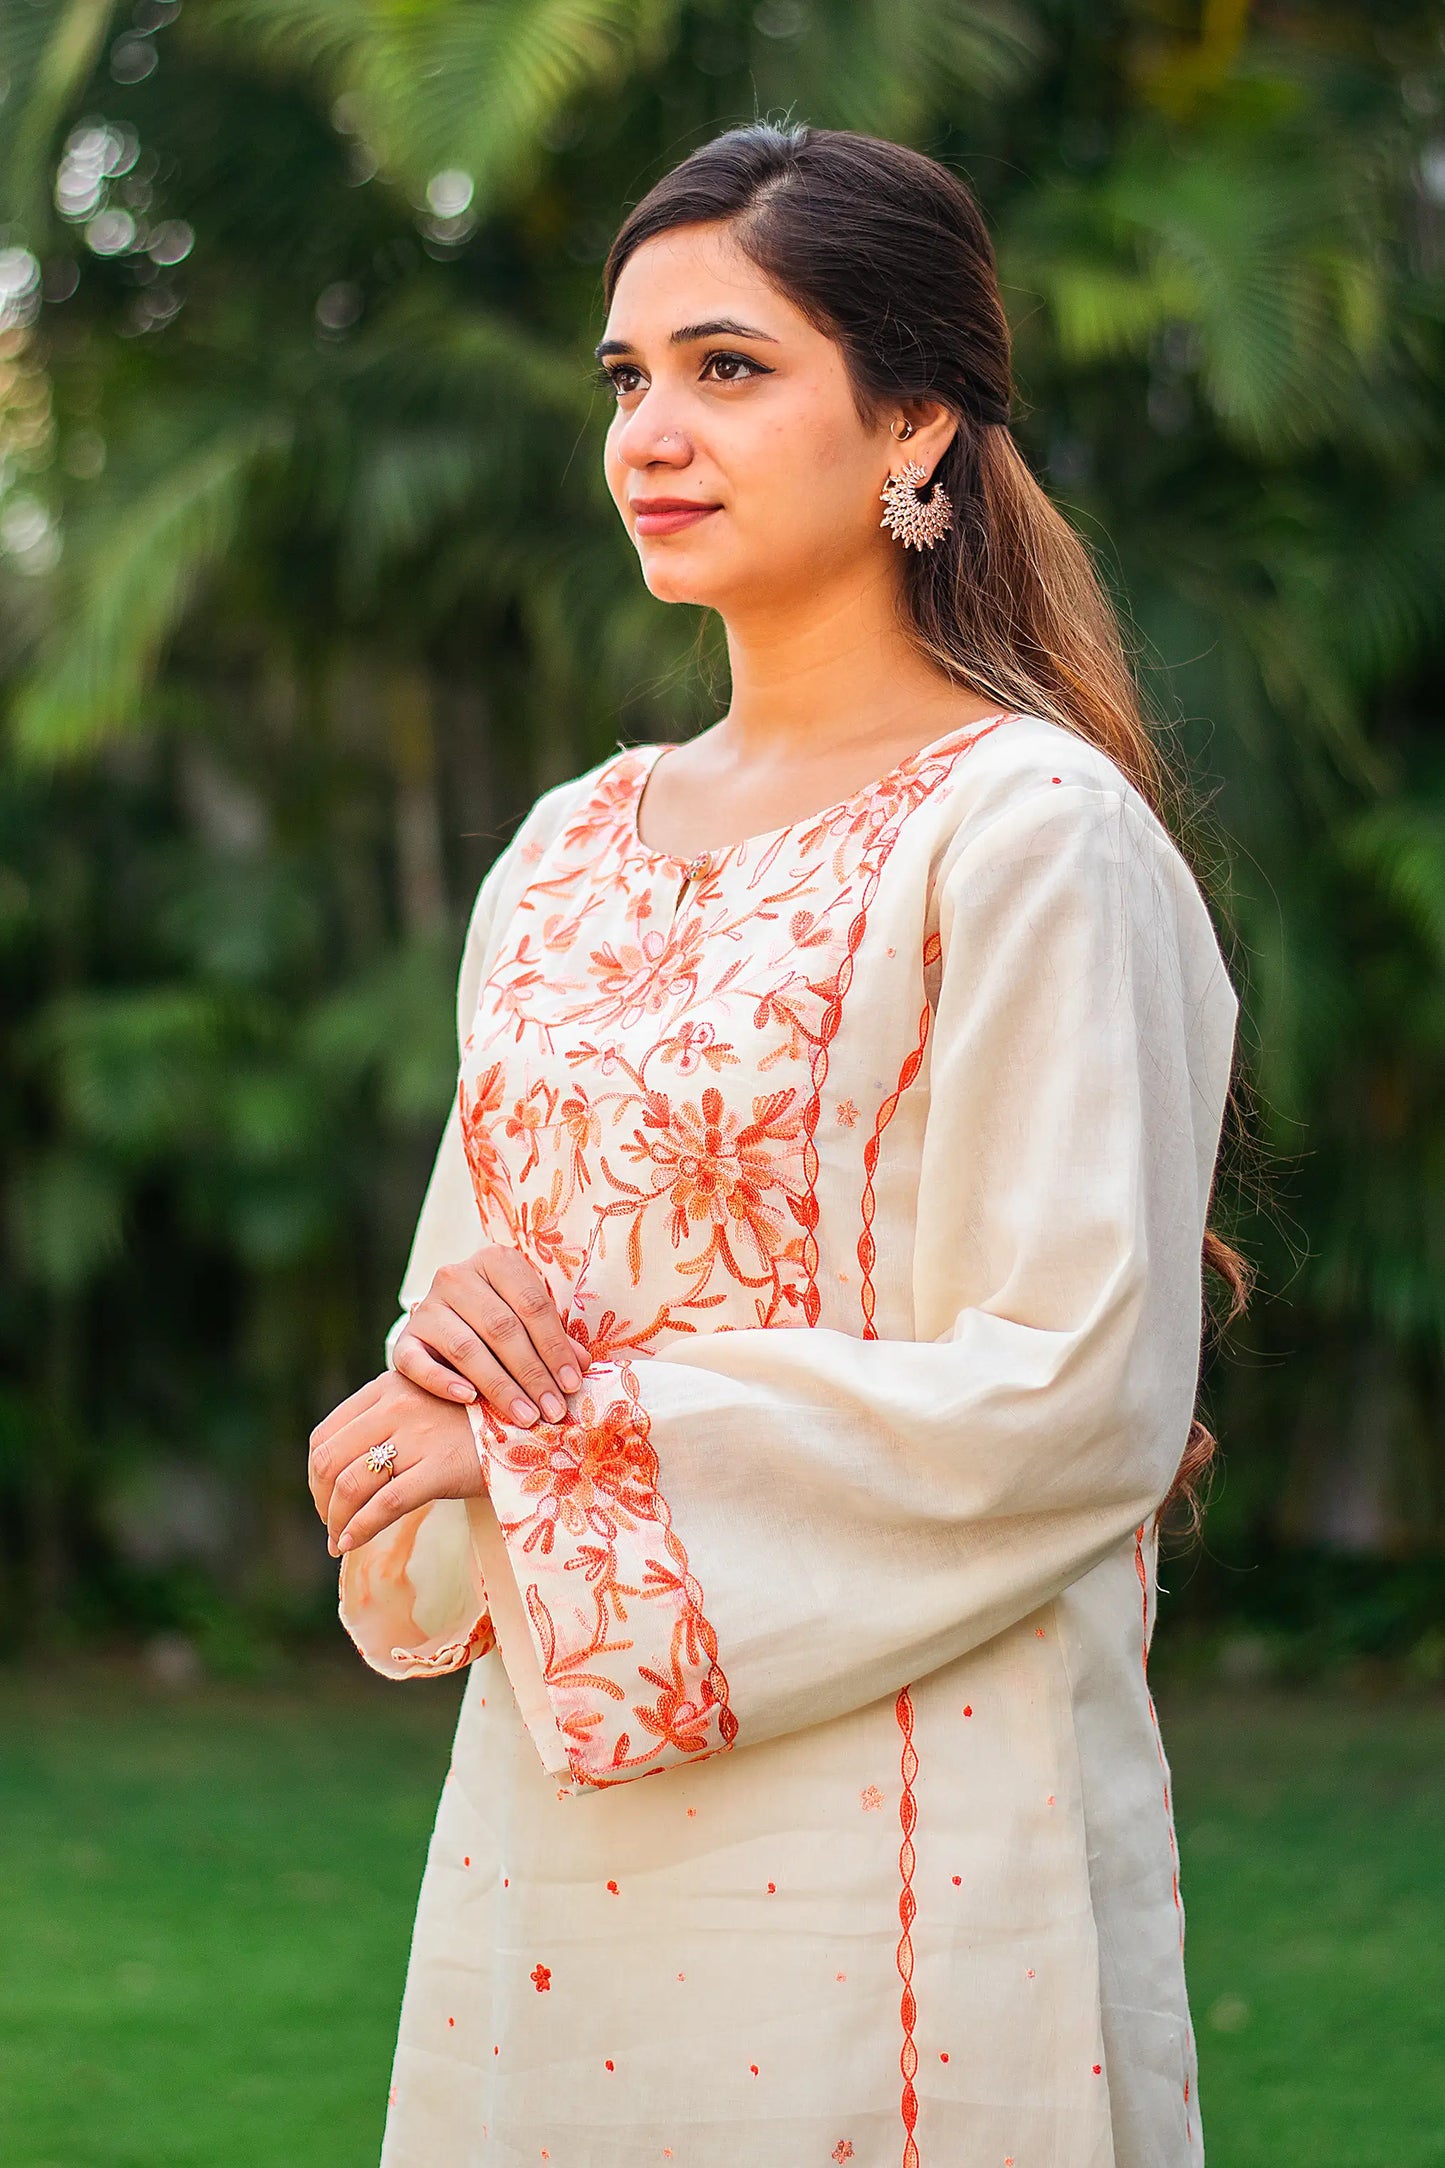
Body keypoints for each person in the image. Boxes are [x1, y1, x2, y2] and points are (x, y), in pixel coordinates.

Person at [307, 120, 1247, 2168]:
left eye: (731, 368)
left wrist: (547, 1446)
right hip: (562, 1833)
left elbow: (1080, 1385)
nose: (654, 428)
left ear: (915, 419)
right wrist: (416, 1413)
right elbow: (469, 1343)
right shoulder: (563, 853)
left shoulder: (1028, 837)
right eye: (628, 378)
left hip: (912, 1839)